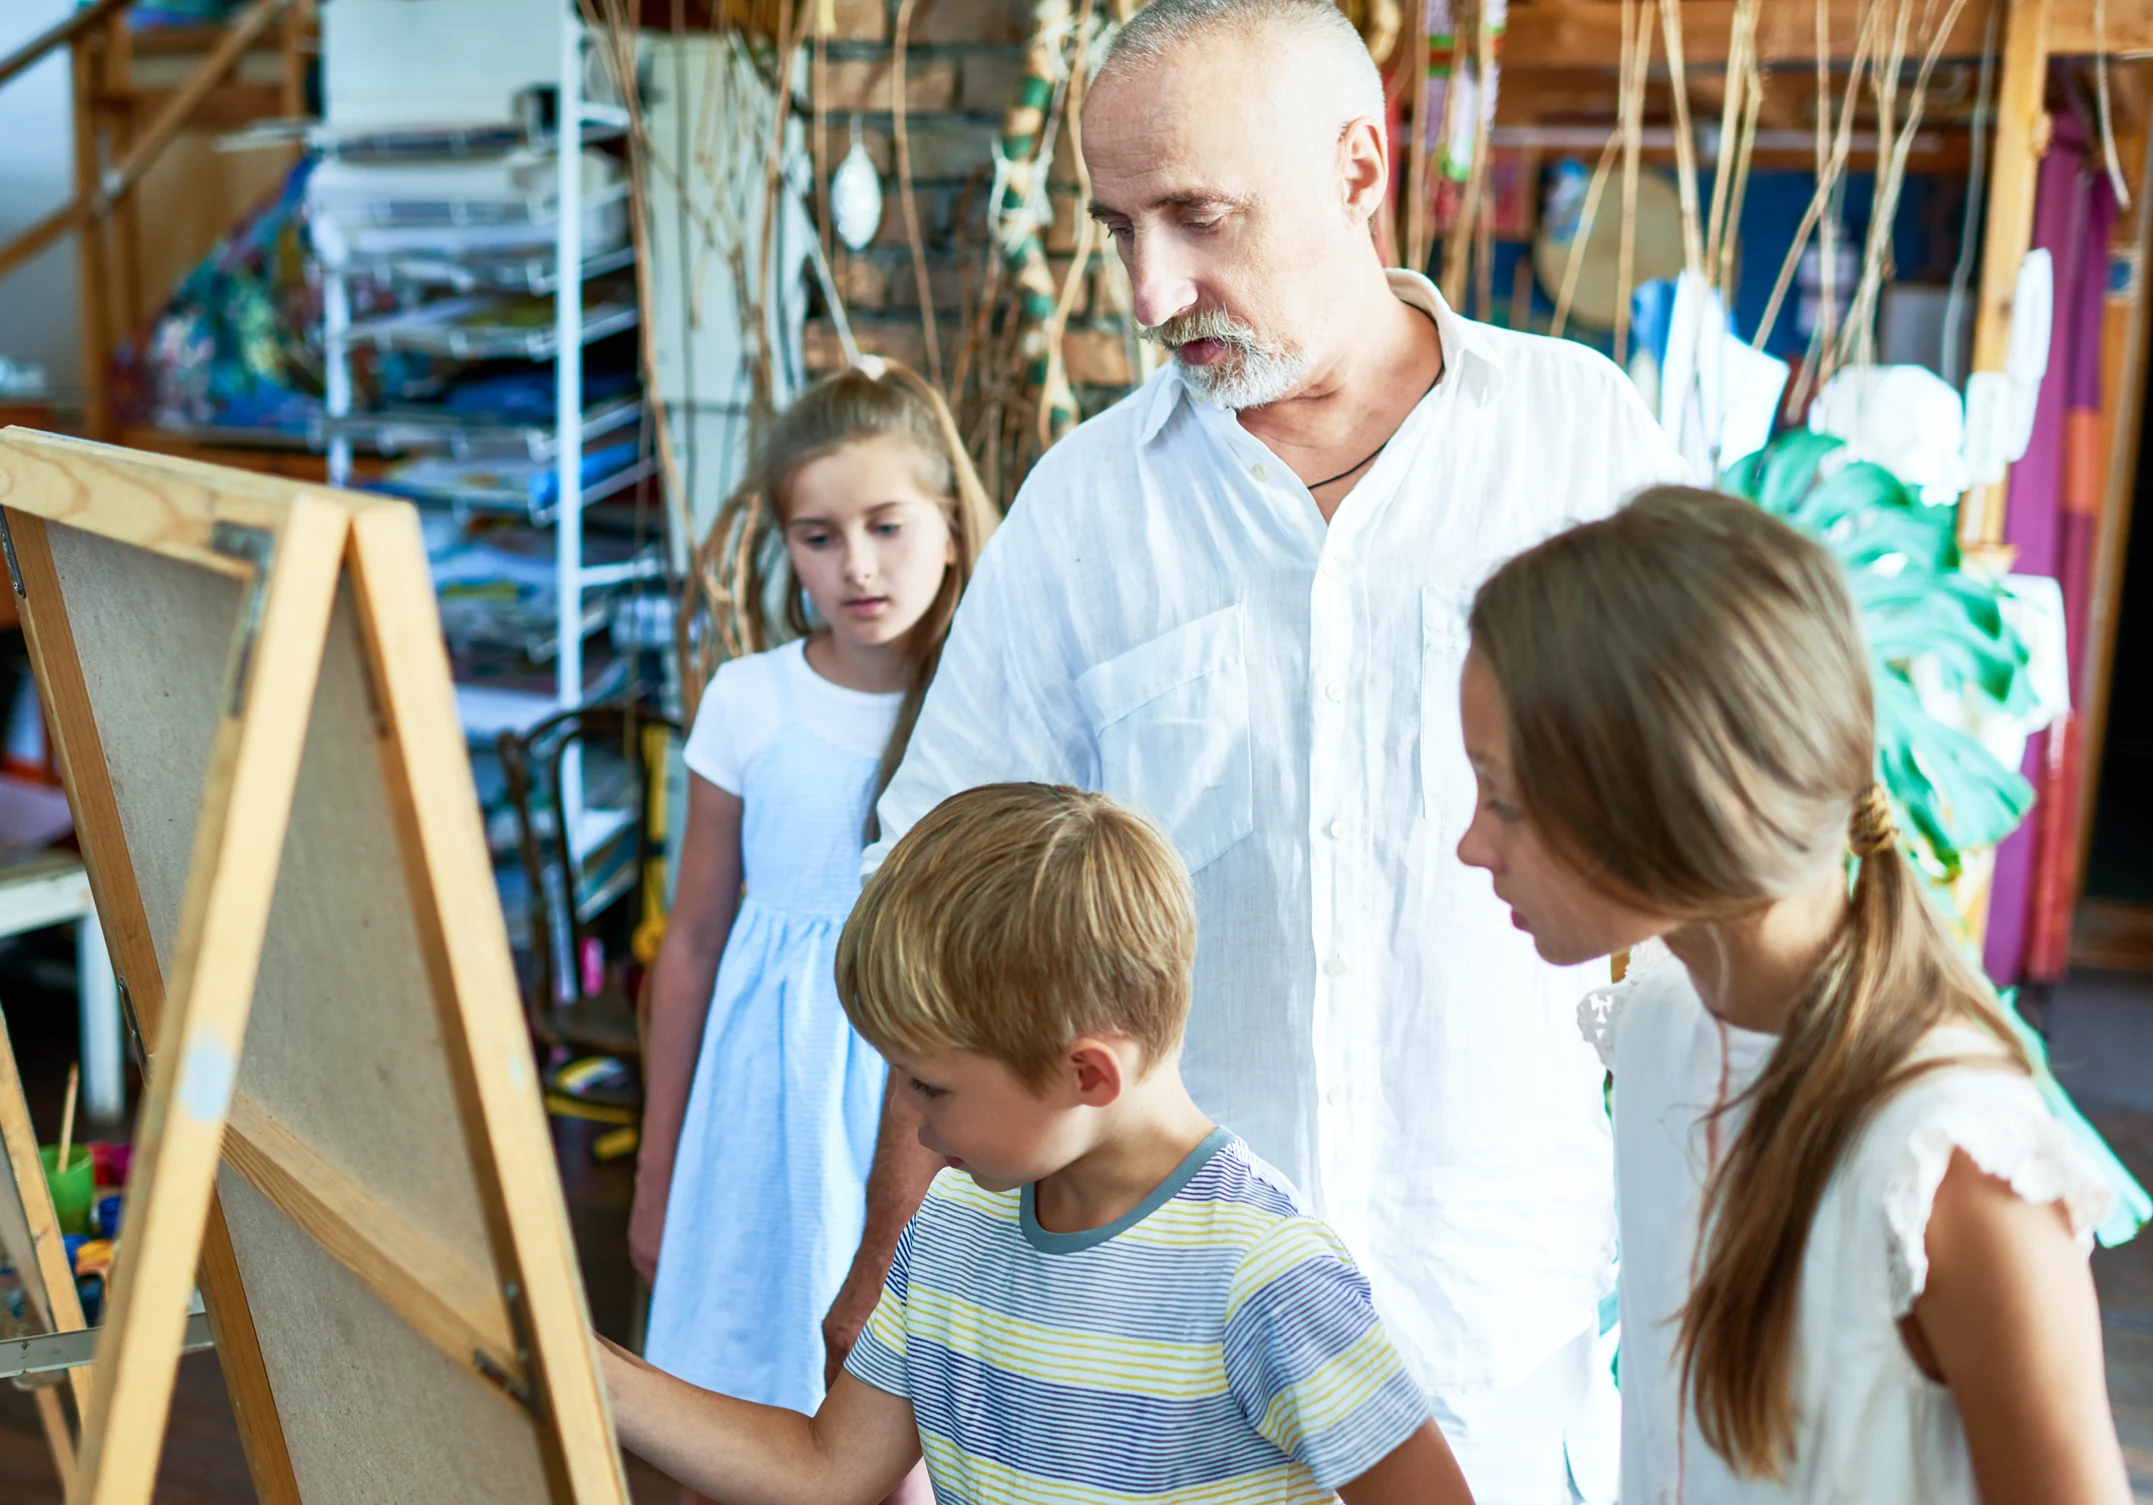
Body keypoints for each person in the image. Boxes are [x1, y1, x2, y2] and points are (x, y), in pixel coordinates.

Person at [823, 1, 1686, 1497]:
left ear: (1362, 165)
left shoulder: (1580, 442)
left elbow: (1720, 845)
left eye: (1200, 218)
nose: (1155, 289)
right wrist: (881, 1293)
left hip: (1497, 1324)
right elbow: (934, 916)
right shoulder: (1088, 512)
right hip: (1156, 1364)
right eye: (1118, 229)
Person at [1456, 486, 2130, 1504]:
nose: (1471, 844)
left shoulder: (1948, 1167)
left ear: (1672, 807)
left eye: (1502, 798)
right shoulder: (1653, 1029)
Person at [602, 782, 1478, 1505]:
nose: (908, 1120)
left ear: (1086, 1074)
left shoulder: (1266, 1275)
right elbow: (830, 1469)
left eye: (930, 1085)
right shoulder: (949, 1223)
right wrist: (597, 1372)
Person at [630, 360, 998, 1485]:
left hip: (920, 1111)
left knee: (892, 1434)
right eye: (818, 535)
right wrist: (655, 1166)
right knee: (734, 1393)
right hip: (758, 1111)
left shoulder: (983, 699)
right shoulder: (749, 698)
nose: (859, 565)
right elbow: (689, 942)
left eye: (887, 525)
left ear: (947, 519)